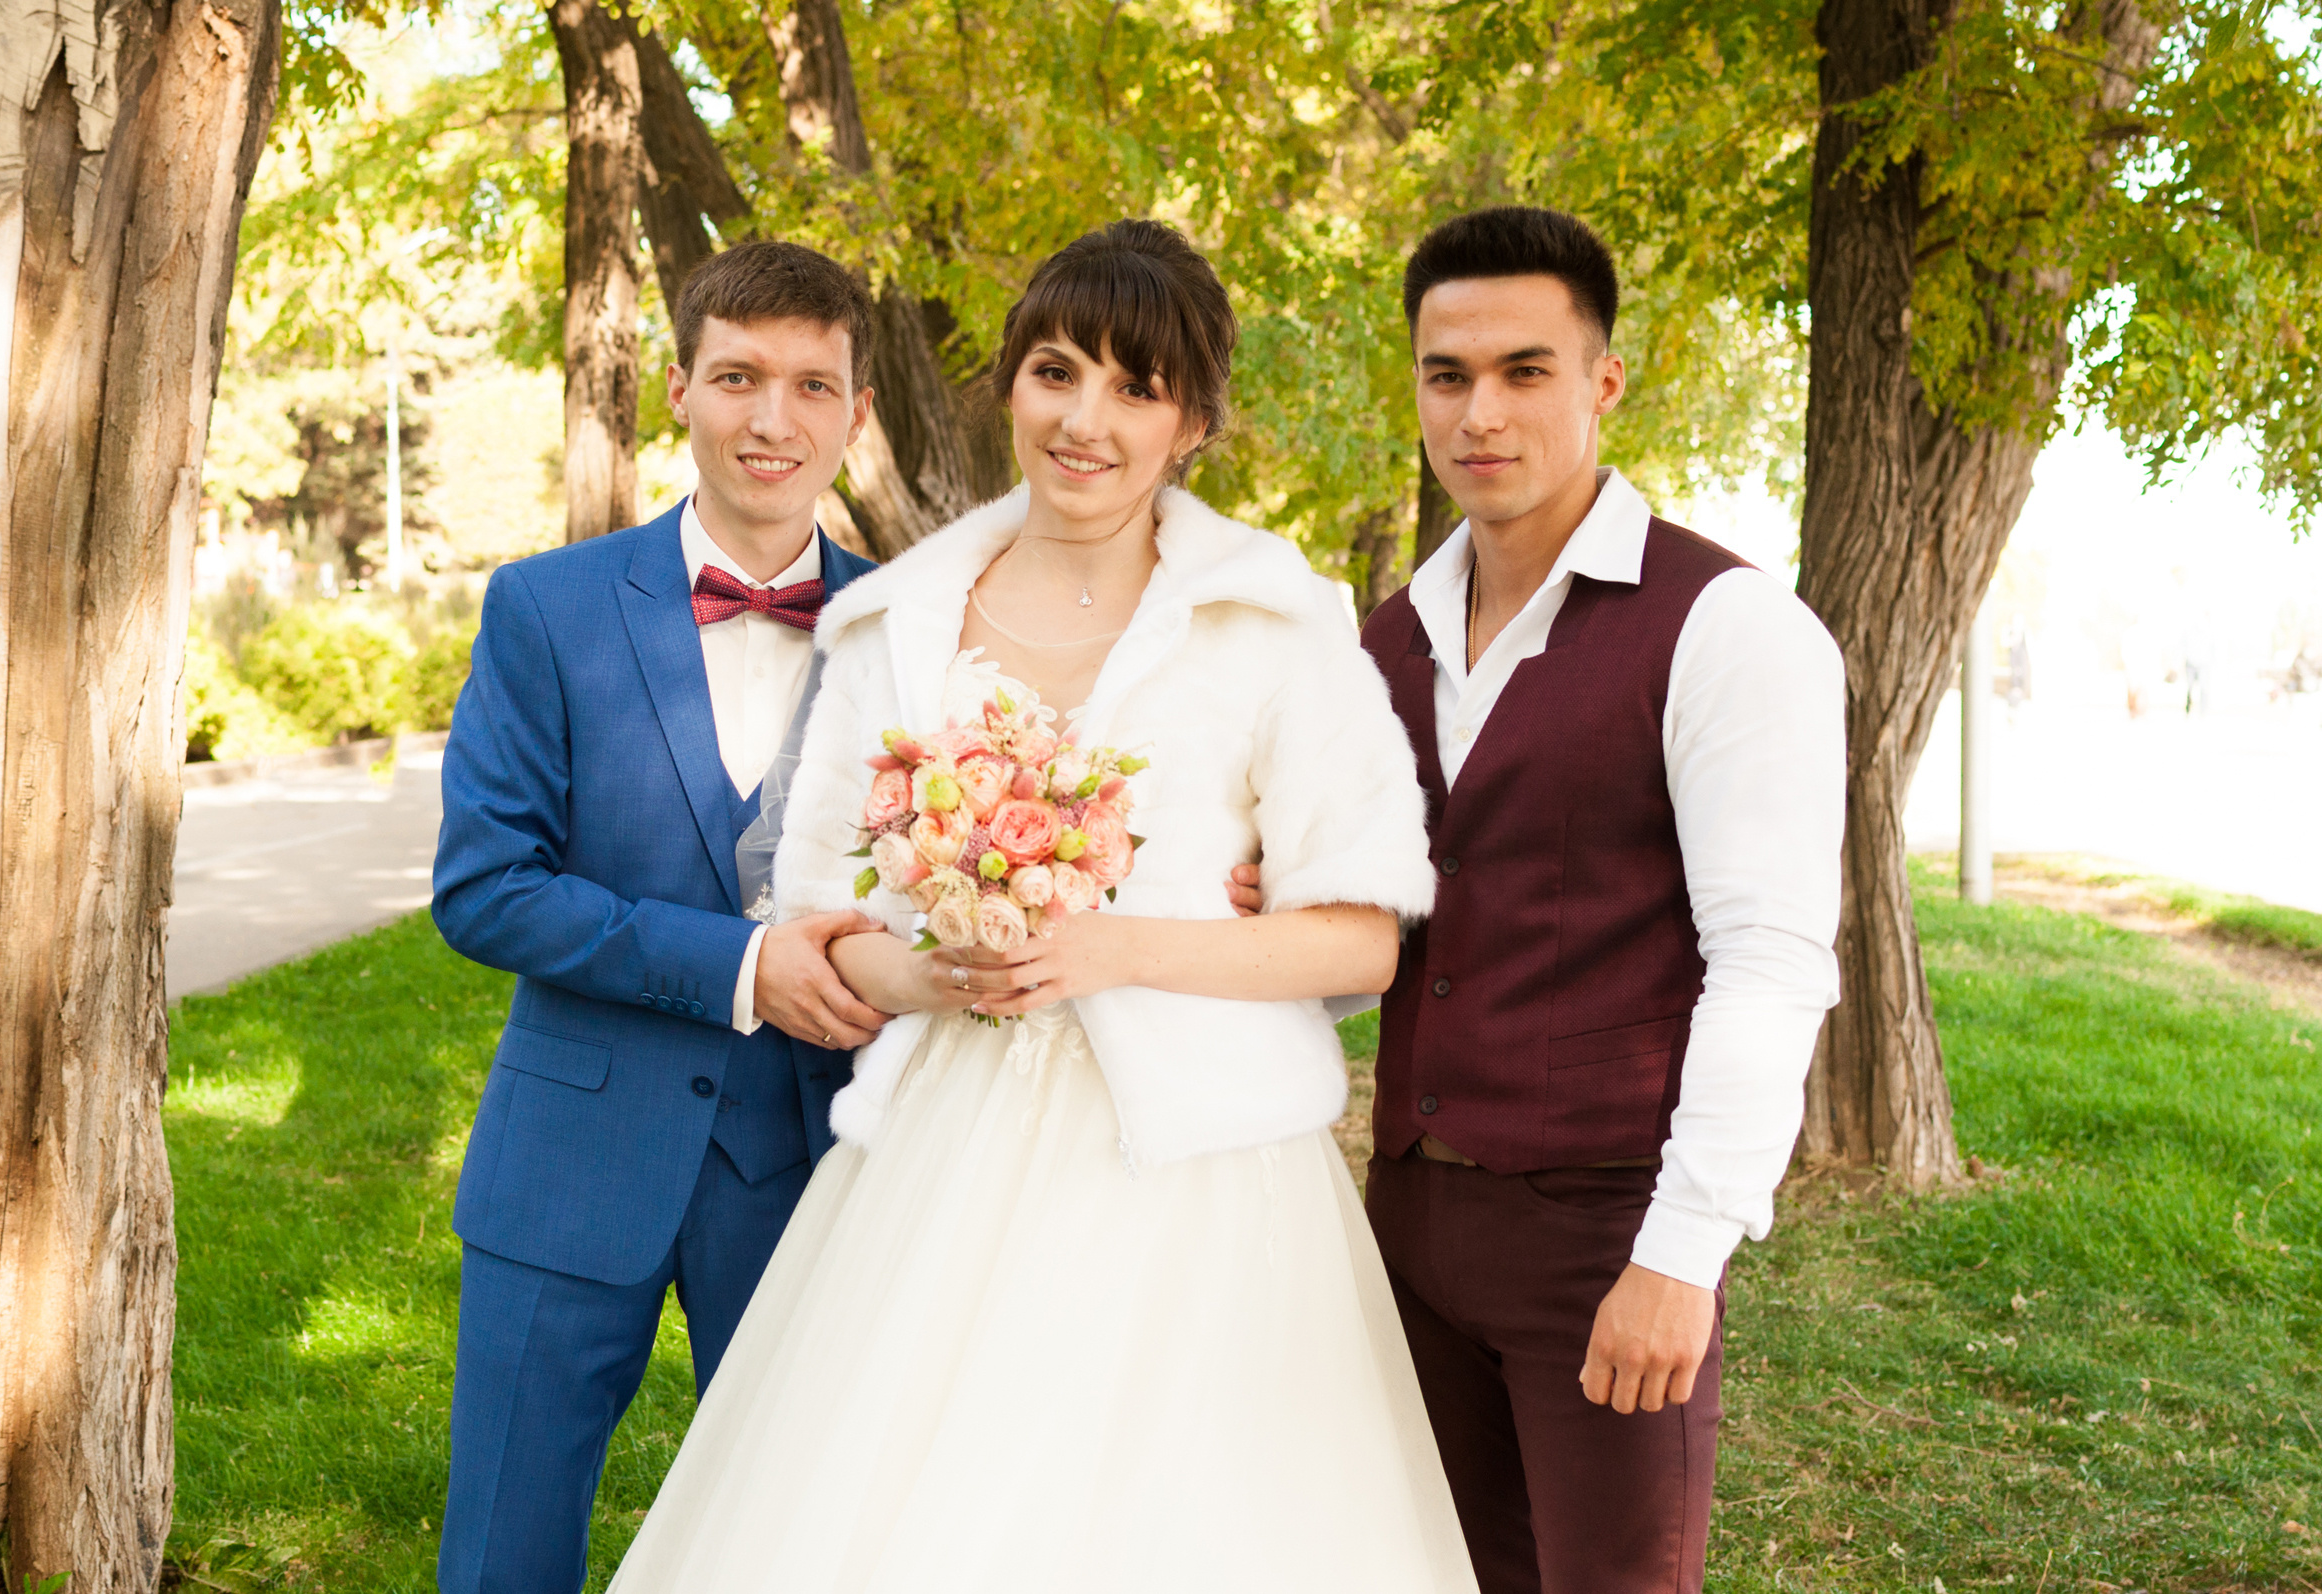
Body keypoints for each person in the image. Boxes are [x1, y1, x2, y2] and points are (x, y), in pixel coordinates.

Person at [604, 220, 1479, 1593]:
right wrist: (937, 965)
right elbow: (822, 917)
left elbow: (1362, 937)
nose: (1086, 420)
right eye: (1058, 371)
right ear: (1010, 381)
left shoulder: (1277, 620)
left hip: (1207, 1163)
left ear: (1192, 422)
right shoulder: (898, 623)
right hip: (946, 1149)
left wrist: (1108, 945)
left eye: (1137, 389)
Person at [1356, 206, 1846, 1592]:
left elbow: (1771, 959)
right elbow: (1377, 953)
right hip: (1408, 1225)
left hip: (1603, 1230)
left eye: (1526, 369)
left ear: (1604, 380)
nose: (1481, 412)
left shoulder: (1728, 626)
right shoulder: (1388, 639)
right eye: (1447, 374)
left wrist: (1682, 1252)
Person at [430, 240, 895, 1594]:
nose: (773, 418)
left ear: (854, 415)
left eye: (814, 386)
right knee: (505, 1550)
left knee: (796, 1548)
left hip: (813, 1162)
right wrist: (741, 964)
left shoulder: (910, 627)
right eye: (739, 376)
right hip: (569, 1157)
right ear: (680, 388)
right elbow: (485, 886)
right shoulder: (547, 607)